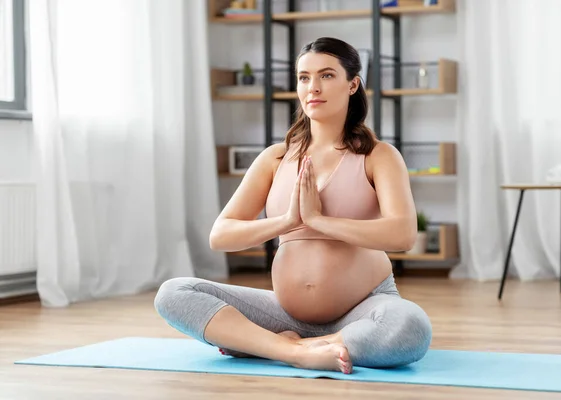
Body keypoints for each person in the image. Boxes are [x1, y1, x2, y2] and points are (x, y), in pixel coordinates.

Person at [154, 37, 432, 374]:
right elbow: (221, 235)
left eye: (327, 75)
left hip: (364, 308)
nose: (313, 87)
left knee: (411, 327)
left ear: (353, 84)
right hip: (283, 314)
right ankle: (294, 350)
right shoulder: (275, 157)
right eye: (304, 77)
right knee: (174, 293)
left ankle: (272, 346)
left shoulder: (377, 155)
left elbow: (402, 235)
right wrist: (287, 221)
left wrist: (317, 219)